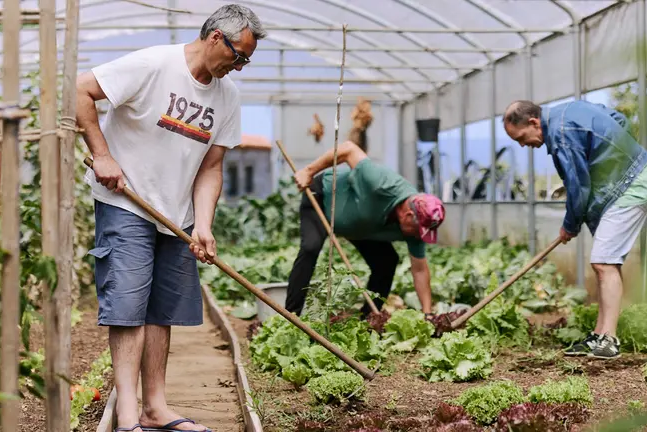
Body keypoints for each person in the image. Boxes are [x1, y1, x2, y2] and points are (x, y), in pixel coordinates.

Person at [75, 5, 266, 432]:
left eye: (246, 61)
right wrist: (102, 155)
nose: (239, 66)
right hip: (127, 202)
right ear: (215, 37)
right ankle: (128, 414)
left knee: (161, 309)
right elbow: (80, 90)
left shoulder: (228, 97)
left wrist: (203, 225)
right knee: (128, 306)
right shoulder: (154, 64)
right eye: (238, 56)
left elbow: (211, 167)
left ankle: (155, 407)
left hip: (176, 214)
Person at [502, 99, 647, 360]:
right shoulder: (567, 111)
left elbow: (578, 186)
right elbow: (618, 119)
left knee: (604, 263)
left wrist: (570, 225)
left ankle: (609, 340)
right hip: (631, 182)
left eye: (521, 138)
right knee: (605, 263)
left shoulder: (561, 135)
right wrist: (614, 156)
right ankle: (599, 335)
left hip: (630, 188)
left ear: (533, 122)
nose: (522, 145)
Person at [287, 140, 445, 319]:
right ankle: (291, 317)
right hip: (323, 198)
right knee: (310, 247)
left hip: (362, 224)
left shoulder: (419, 224)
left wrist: (428, 314)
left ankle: (368, 320)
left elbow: (420, 270)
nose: (419, 236)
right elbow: (348, 148)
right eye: (418, 231)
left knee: (386, 262)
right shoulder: (381, 183)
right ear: (408, 215)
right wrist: (308, 171)